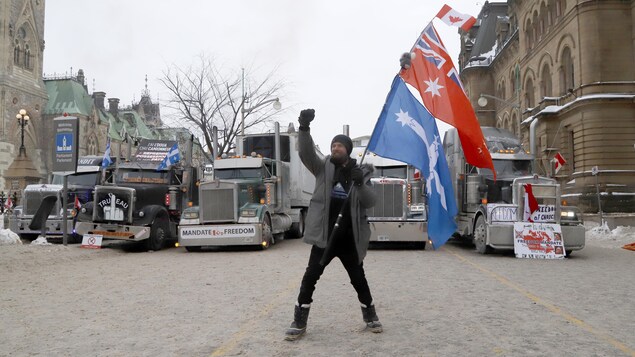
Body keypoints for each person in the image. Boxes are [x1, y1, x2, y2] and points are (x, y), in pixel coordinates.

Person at [285, 108, 381, 341]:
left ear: (347, 149)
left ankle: (371, 316)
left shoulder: (361, 174)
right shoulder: (323, 168)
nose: (334, 148)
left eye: (339, 145)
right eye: (332, 145)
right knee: (310, 278)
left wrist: (359, 184)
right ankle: (299, 321)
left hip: (349, 238)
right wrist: (304, 129)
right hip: (324, 236)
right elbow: (306, 153)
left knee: (358, 279)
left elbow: (371, 202)